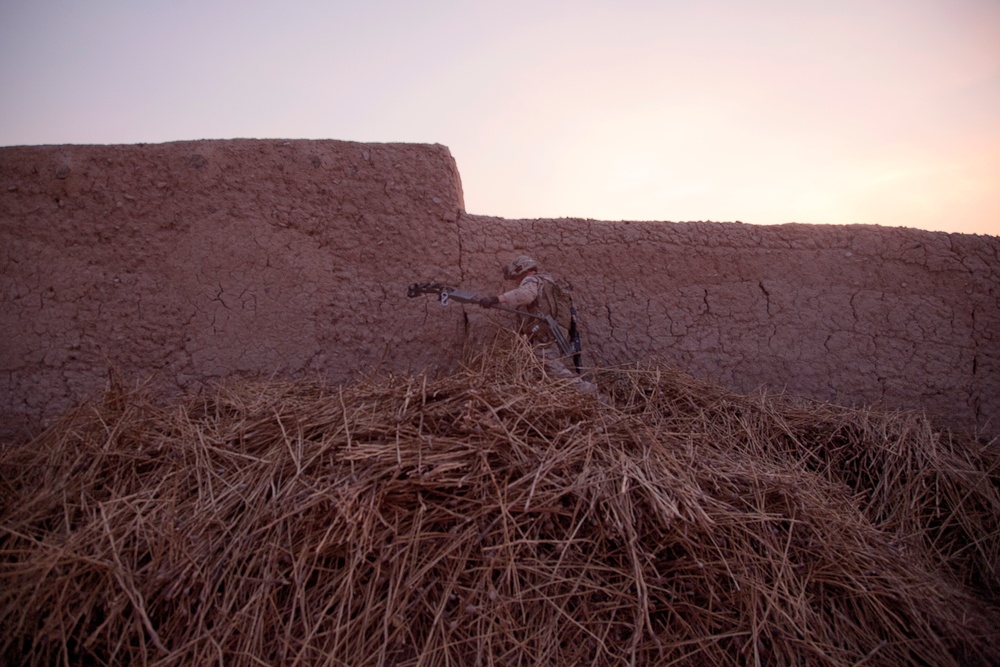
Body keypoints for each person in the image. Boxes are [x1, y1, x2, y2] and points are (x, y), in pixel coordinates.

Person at [479, 255, 601, 397]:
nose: (517, 282)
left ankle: (594, 397)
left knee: (555, 373)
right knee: (541, 372)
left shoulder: (531, 280)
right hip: (556, 334)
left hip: (546, 335)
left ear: (521, 270)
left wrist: (497, 299)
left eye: (516, 277)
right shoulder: (550, 284)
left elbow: (526, 295)